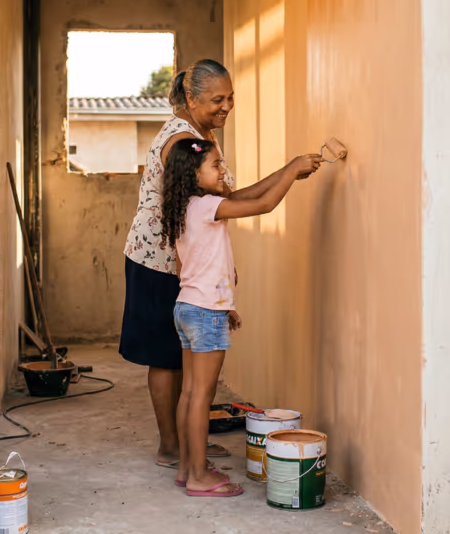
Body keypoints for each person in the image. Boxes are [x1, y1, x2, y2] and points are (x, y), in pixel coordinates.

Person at [119, 59, 322, 470]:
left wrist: (286, 173)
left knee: (186, 369)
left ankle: (187, 446)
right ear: (191, 98)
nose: (226, 106)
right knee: (167, 359)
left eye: (231, 97)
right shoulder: (185, 145)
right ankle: (173, 448)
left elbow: (228, 202)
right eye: (217, 99)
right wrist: (286, 174)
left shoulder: (201, 135)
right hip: (160, 262)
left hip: (189, 265)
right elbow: (242, 206)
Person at [161, 138, 320, 496]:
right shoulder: (207, 206)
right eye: (216, 166)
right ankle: (200, 477)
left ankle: (189, 468)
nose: (223, 171)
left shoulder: (187, 207)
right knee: (202, 395)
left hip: (188, 306)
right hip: (204, 312)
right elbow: (262, 204)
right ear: (194, 174)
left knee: (189, 393)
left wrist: (290, 169)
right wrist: (292, 171)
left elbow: (204, 259)